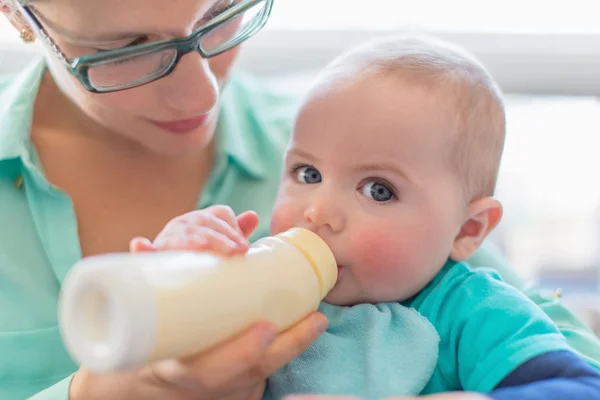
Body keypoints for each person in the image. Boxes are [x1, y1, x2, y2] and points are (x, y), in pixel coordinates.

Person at [0, 0, 598, 399]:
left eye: (220, 14)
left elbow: (569, 367)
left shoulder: (450, 289)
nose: (198, 95)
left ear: (469, 230)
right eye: (127, 46)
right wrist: (179, 270)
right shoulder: (261, 243)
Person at [140, 35, 600, 400]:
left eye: (379, 190)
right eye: (308, 172)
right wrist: (184, 264)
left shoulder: (472, 312)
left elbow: (581, 390)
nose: (318, 211)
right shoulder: (255, 273)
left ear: (467, 230)